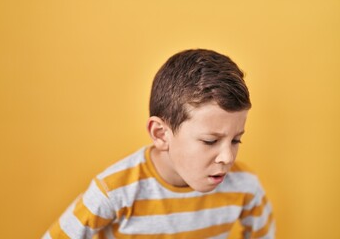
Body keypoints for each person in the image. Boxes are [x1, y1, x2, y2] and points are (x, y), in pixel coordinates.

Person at [43, 49, 275, 239]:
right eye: (210, 141)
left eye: (236, 140)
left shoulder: (245, 187)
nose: (227, 157)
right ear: (161, 134)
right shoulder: (114, 192)